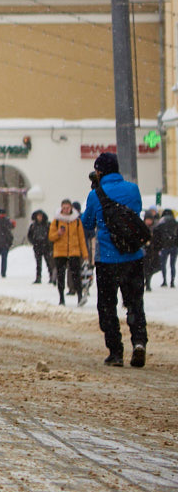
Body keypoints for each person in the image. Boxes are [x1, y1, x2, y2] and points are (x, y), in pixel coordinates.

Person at [82, 153, 148, 368]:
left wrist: (97, 192)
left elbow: (87, 223)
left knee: (107, 306)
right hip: (133, 256)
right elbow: (135, 212)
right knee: (135, 303)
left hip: (108, 260)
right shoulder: (133, 189)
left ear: (99, 171)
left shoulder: (96, 195)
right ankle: (139, 342)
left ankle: (116, 352)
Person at [49, 199, 89, 306]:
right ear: (61, 208)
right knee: (60, 276)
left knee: (76, 275)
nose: (66, 210)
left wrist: (85, 254)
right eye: (64, 208)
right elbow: (50, 237)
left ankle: (80, 296)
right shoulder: (56, 221)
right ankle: (61, 298)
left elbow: (81, 238)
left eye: (67, 207)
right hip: (60, 252)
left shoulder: (76, 221)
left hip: (74, 252)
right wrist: (58, 233)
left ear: (71, 208)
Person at [27, 209, 54, 285]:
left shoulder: (47, 225)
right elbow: (29, 235)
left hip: (46, 247)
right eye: (38, 216)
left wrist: (48, 243)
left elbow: (51, 234)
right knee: (38, 264)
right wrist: (34, 242)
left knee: (49, 262)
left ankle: (51, 276)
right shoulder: (33, 226)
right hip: (37, 247)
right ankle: (38, 277)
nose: (39, 217)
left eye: (40, 216)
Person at [153, 208, 178, 287]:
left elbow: (156, 233)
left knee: (163, 264)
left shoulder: (161, 222)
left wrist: (157, 245)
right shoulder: (175, 222)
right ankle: (172, 281)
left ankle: (164, 281)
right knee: (172, 264)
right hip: (174, 246)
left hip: (164, 245)